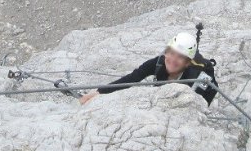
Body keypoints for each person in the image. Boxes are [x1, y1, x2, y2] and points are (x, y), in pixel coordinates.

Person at [80, 31, 217, 106]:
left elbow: (201, 102)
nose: (173, 60)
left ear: (187, 63)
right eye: (171, 53)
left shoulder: (196, 78)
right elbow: (132, 78)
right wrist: (98, 93)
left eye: (180, 57)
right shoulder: (158, 63)